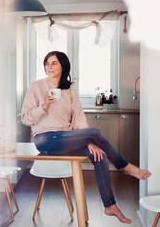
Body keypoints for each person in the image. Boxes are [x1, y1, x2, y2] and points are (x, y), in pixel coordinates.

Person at [21, 51, 152, 224]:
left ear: (63, 66)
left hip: (67, 137)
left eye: (54, 63)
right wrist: (44, 106)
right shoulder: (36, 87)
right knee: (95, 133)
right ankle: (124, 166)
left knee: (100, 155)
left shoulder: (70, 90)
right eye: (47, 63)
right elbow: (26, 119)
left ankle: (110, 205)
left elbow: (78, 118)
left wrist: (88, 142)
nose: (49, 66)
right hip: (45, 139)